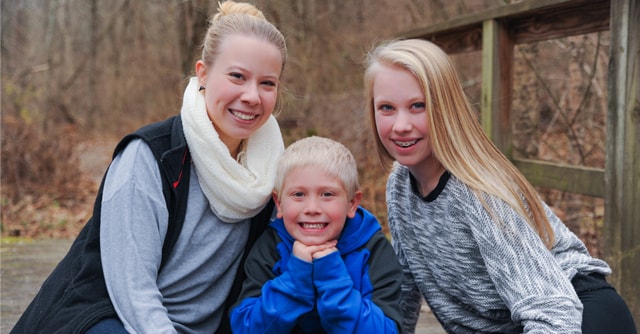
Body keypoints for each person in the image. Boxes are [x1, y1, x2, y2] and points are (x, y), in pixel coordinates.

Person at [11, 1, 287, 333]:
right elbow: (134, 294)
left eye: (267, 83)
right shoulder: (150, 158)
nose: (252, 96)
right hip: (110, 322)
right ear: (203, 73)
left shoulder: (271, 173)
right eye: (237, 76)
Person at [363, 38, 637, 334]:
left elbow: (554, 313)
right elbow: (407, 283)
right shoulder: (399, 184)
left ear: (446, 107)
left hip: (575, 314)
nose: (401, 124)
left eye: (418, 106)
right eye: (387, 108)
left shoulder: (478, 192)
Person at [230, 136, 403, 333]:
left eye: (327, 194)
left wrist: (331, 276)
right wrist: (296, 278)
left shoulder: (373, 249)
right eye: (298, 195)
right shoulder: (271, 247)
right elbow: (246, 328)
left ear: (352, 203)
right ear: (279, 203)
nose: (312, 208)